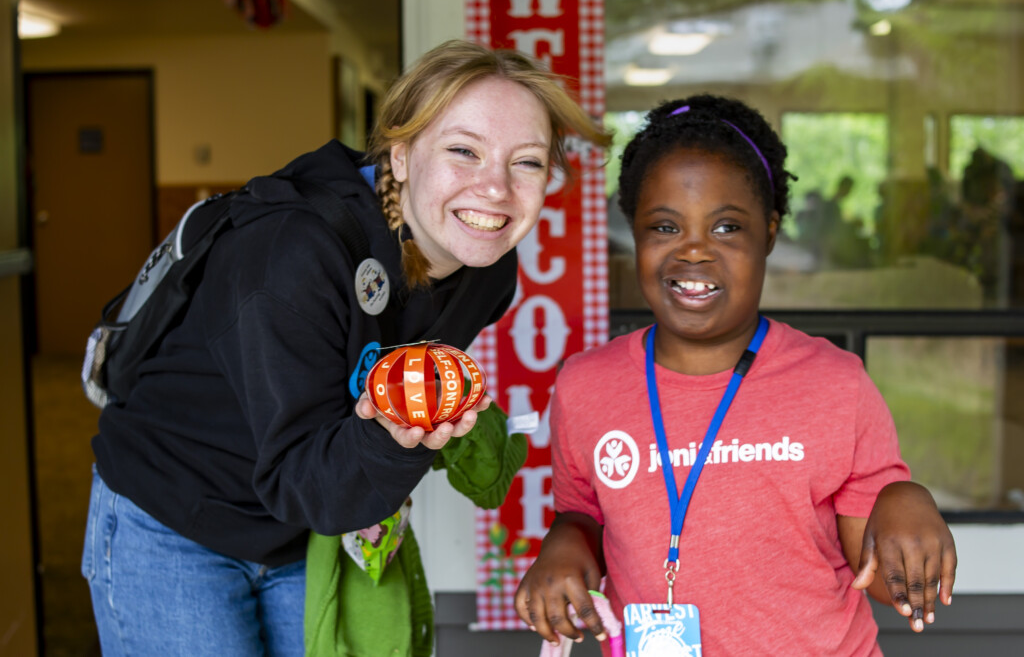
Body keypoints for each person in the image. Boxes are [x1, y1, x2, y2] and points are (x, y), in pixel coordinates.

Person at [82, 39, 611, 656]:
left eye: (526, 162)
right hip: (172, 517)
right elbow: (306, 475)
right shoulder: (293, 254)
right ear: (404, 155)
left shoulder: (488, 268)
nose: (494, 189)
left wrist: (427, 421)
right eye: (463, 151)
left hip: (302, 531)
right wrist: (398, 434)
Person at [514, 94, 957, 655]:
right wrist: (565, 542)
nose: (694, 251)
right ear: (634, 236)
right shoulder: (584, 387)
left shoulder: (835, 384)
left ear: (769, 233)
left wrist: (904, 499)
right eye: (665, 227)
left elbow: (885, 586)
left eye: (726, 227)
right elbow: (585, 515)